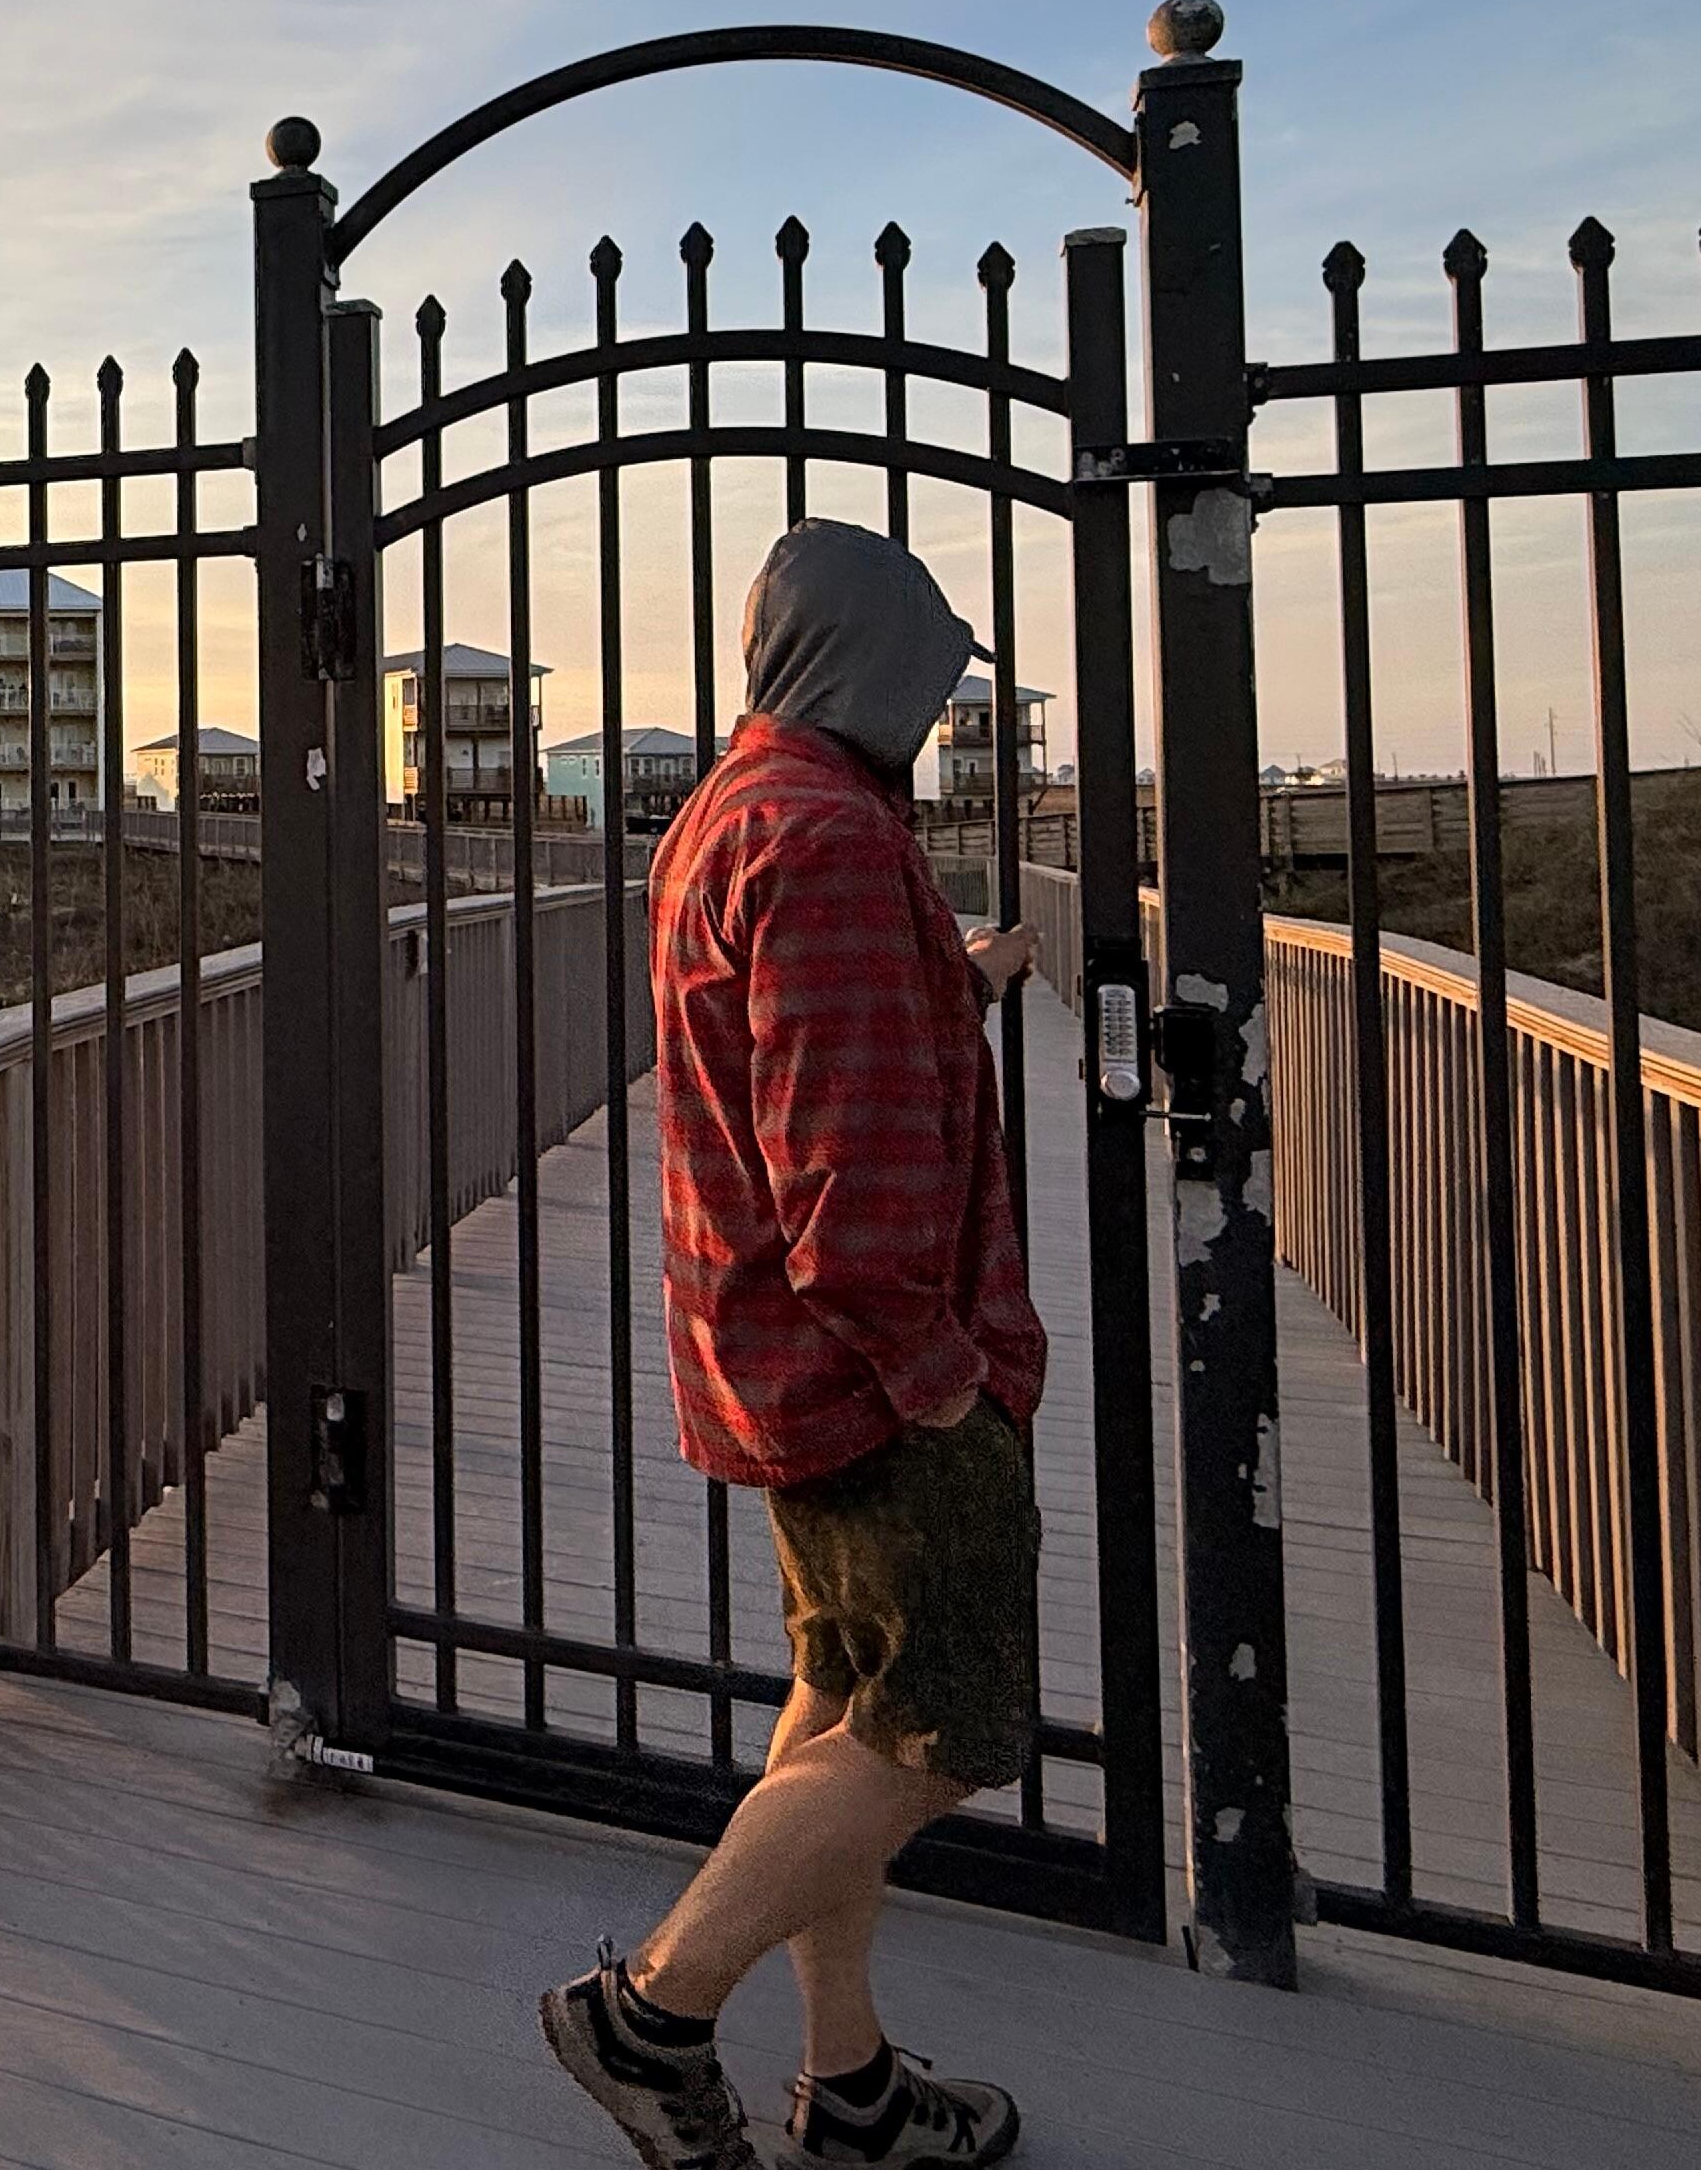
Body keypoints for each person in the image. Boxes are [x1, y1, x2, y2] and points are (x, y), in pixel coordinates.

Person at [537, 519, 1045, 2170]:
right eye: (927, 665)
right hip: (868, 1368)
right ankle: (651, 2013)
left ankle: (857, 2092)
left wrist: (945, 986)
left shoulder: (735, 816)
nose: (939, 693)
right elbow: (845, 1166)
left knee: (842, 1697)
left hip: (771, 1351)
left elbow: (806, 1050)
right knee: (937, 1730)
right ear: (867, 662)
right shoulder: (826, 837)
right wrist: (941, 1375)